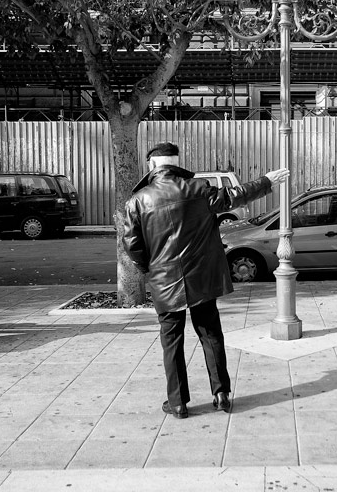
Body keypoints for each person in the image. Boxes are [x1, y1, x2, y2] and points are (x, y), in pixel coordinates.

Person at [123, 142, 289, 419]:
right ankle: (221, 393)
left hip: (164, 279)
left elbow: (132, 245)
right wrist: (266, 181)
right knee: (210, 334)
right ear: (176, 162)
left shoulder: (138, 201)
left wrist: (149, 271)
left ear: (152, 165)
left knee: (171, 341)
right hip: (201, 276)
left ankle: (177, 403)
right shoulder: (198, 189)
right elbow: (235, 196)